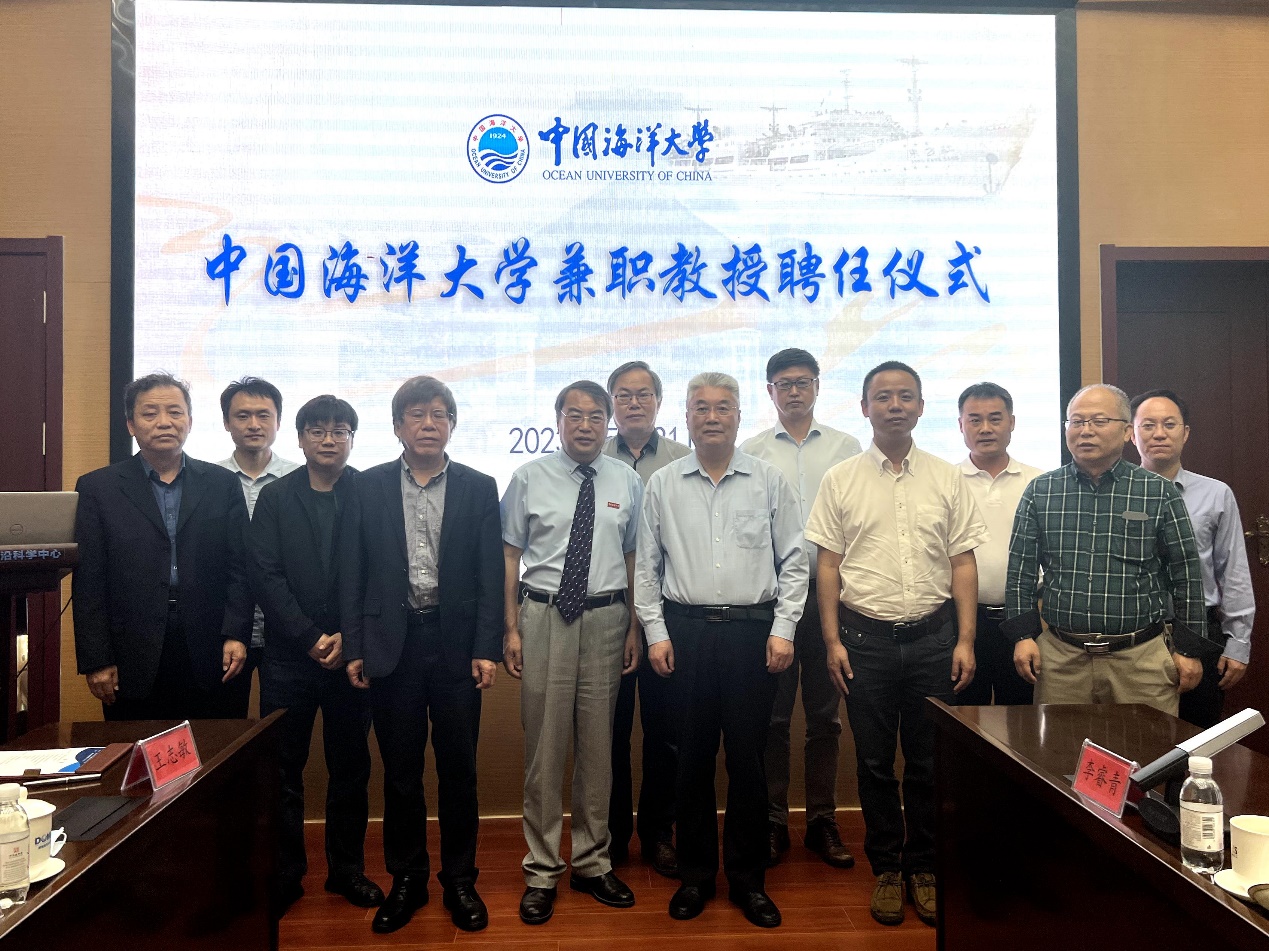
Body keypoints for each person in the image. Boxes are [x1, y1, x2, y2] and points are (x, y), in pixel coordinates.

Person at [805, 360, 986, 928]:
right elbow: (828, 566)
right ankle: (886, 867)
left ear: (921, 407)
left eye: (906, 396)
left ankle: (924, 866)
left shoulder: (947, 477)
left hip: (934, 640)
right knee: (875, 763)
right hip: (865, 643)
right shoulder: (841, 479)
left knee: (929, 763)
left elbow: (963, 562)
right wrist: (831, 641)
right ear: (865, 408)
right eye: (883, 396)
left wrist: (966, 638)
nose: (895, 405)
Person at [635, 371, 808, 930]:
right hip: (684, 634)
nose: (712, 417)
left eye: (723, 407)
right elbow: (647, 568)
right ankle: (696, 876)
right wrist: (656, 633)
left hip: (751, 635)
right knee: (690, 759)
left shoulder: (768, 480)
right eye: (701, 407)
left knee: (748, 761)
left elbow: (794, 561)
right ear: (685, 416)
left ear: (738, 415)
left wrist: (784, 628)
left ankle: (748, 879)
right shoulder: (663, 484)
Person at [341, 376, 503, 934]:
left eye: (439, 414)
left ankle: (460, 879)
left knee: (459, 770)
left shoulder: (479, 487)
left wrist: (486, 647)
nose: (428, 423)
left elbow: (489, 575)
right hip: (393, 646)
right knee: (401, 773)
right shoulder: (367, 486)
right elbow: (353, 573)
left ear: (452, 425)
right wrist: (356, 646)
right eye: (416, 414)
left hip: (456, 647)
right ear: (397, 426)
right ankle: (407, 878)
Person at [502, 381, 643, 926]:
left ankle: (591, 862)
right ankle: (541, 870)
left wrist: (633, 626)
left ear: (609, 422)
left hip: (608, 618)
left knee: (599, 749)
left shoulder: (626, 480)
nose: (586, 426)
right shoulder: (528, 477)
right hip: (544, 618)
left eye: (596, 417)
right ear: (558, 419)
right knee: (545, 747)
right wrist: (510, 628)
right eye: (575, 415)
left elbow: (632, 557)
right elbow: (509, 555)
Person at [1004, 383, 1216, 718]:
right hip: (1061, 660)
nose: (1085, 430)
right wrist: (1023, 635)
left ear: (1126, 431)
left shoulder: (1157, 492)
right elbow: (1021, 570)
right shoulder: (1041, 491)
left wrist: (1189, 649)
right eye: (1076, 421)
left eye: (1099, 421)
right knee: (1060, 749)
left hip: (1140, 658)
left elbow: (1186, 574)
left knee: (1148, 748)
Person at [249, 395, 378, 915]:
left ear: (352, 439)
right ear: (300, 438)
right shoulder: (276, 497)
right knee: (283, 770)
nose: (329, 439)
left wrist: (349, 636)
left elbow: (380, 571)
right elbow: (265, 574)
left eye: (340, 430)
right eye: (318, 430)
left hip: (352, 658)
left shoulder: (370, 492)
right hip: (288, 658)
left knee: (351, 767)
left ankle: (347, 871)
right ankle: (285, 875)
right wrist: (308, 637)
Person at [740, 348, 860, 869]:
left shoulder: (846, 447)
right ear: (770, 391)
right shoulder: (751, 451)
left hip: (832, 598)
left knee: (825, 718)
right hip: (771, 602)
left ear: (817, 386)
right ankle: (771, 821)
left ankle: (821, 821)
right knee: (771, 718)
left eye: (803, 382)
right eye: (784, 383)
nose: (794, 391)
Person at [73, 372, 253, 719]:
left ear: (190, 421)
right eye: (150, 413)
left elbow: (239, 568)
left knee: (212, 746)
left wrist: (236, 634)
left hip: (209, 644)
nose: (164, 422)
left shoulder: (222, 484)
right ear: (131, 424)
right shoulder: (98, 488)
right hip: (130, 650)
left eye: (175, 412)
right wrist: (96, 659)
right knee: (136, 747)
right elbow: (89, 581)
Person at [603, 360, 690, 878]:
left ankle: (660, 833)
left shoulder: (683, 459)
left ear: (659, 401)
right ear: (611, 403)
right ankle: (611, 838)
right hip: (607, 614)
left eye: (643, 394)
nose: (633, 403)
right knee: (609, 734)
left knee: (666, 733)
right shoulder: (590, 458)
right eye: (623, 394)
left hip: (668, 619)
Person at [1130, 388, 1254, 727]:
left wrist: (1238, 643)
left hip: (1200, 631)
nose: (1159, 433)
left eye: (1169, 424)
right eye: (1148, 425)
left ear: (1185, 433)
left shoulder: (1216, 494)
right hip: (1134, 635)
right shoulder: (1116, 496)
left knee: (1196, 737)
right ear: (1131, 434)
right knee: (1138, 738)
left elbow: (1234, 571)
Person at [954, 382, 1042, 706]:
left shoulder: (1039, 482)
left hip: (1025, 620)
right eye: (974, 420)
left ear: (1012, 423)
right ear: (960, 425)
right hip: (960, 622)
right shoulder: (945, 481)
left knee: (1022, 721)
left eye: (995, 418)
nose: (985, 428)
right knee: (964, 720)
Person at [218, 376, 300, 716]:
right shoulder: (210, 481)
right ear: (226, 422)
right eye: (242, 415)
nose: (254, 424)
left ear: (279, 421)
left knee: (282, 731)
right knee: (224, 728)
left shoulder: (301, 480)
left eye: (264, 415)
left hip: (288, 629)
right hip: (225, 630)